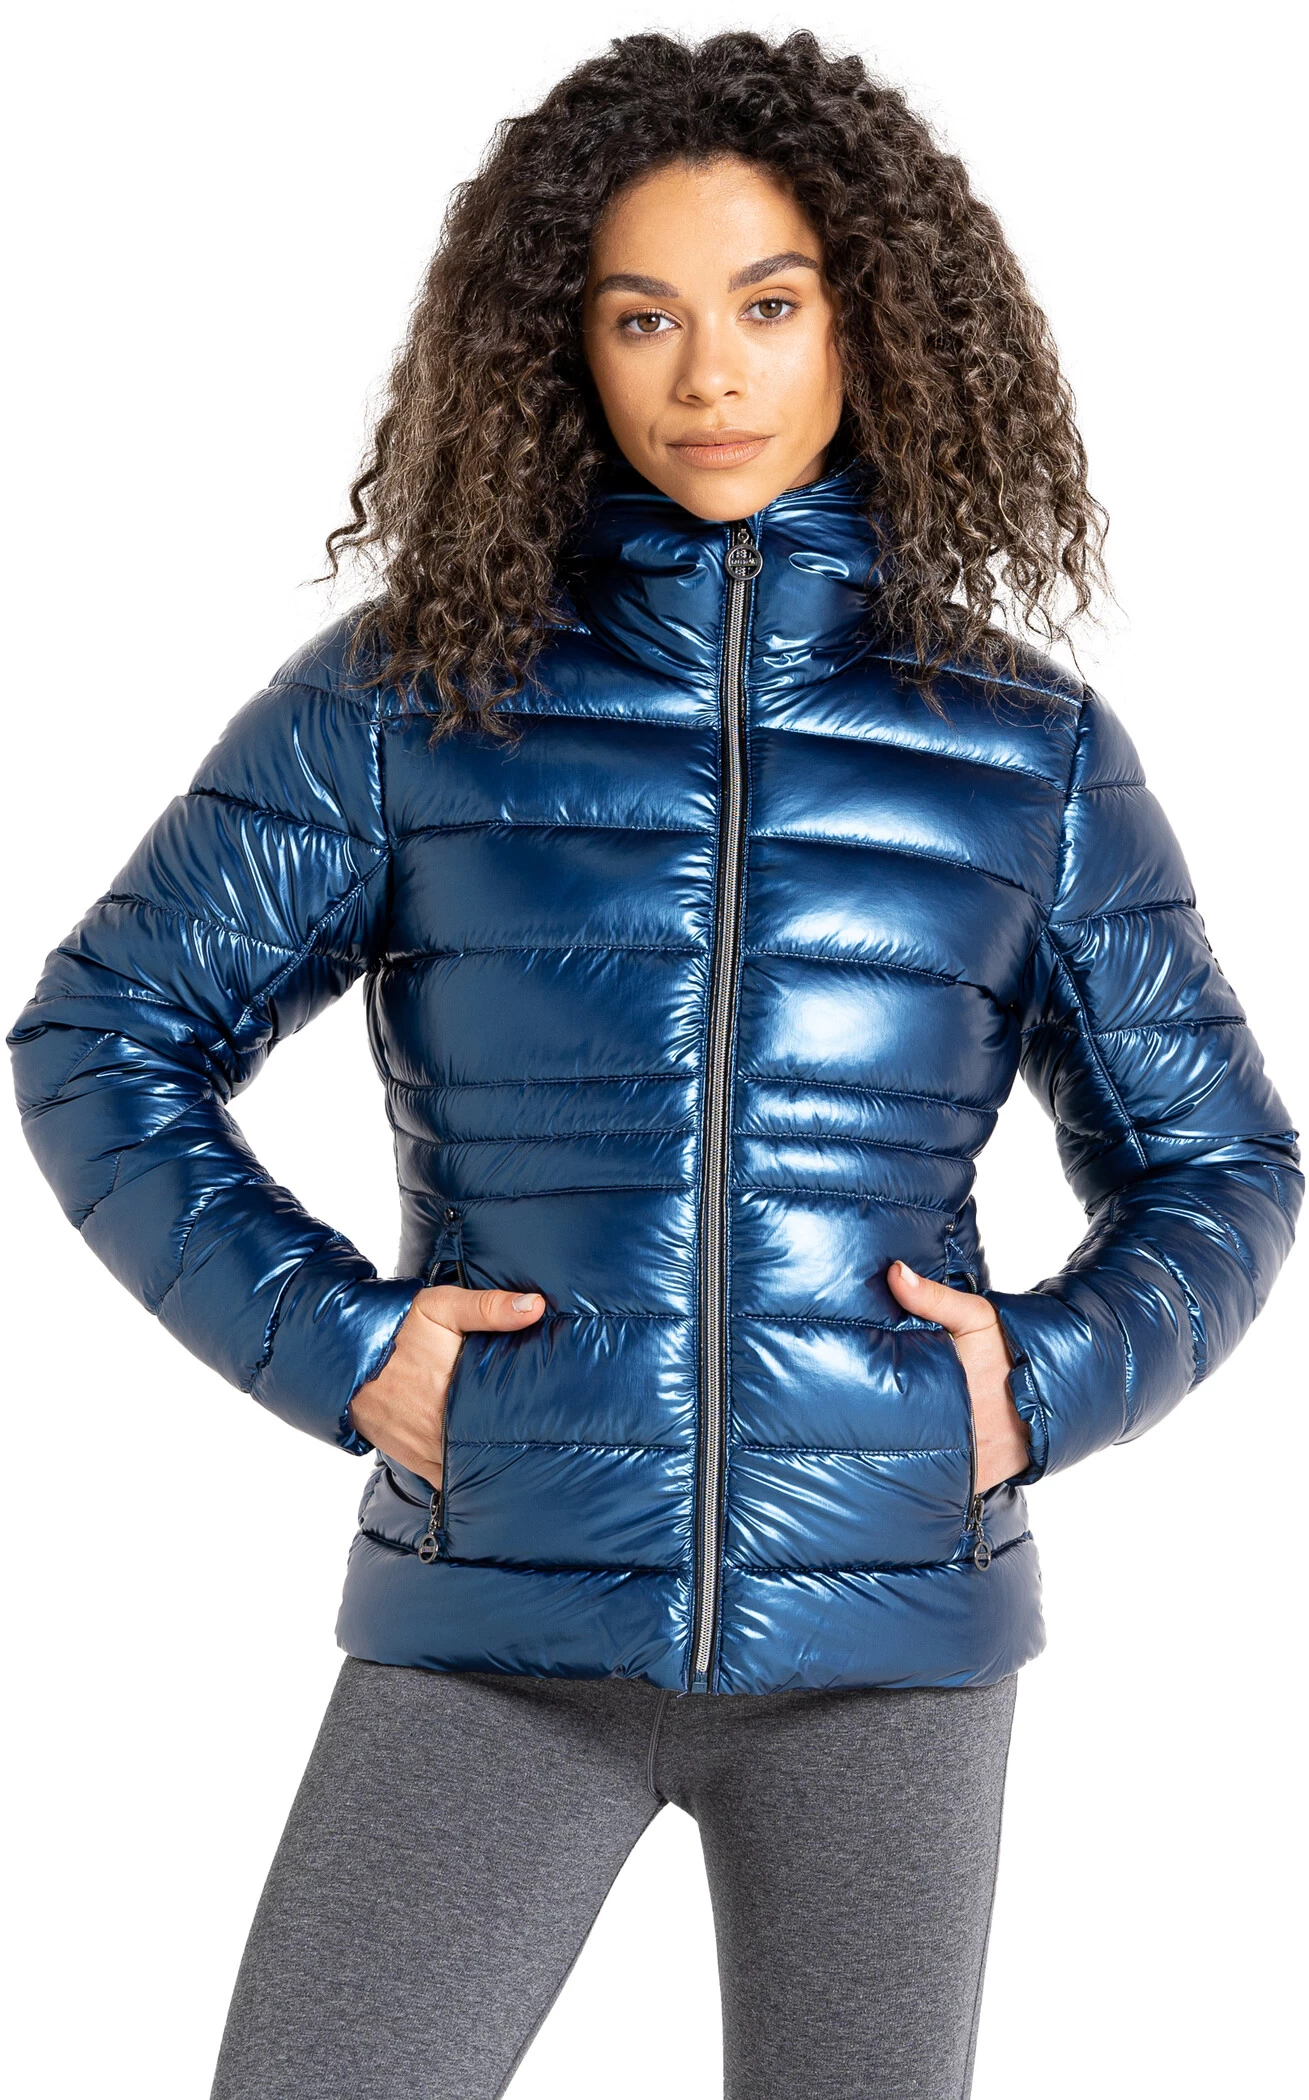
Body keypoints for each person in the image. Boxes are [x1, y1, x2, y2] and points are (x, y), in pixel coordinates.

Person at [8, 29, 1299, 2100]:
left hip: (890, 1628)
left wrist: (1038, 1381)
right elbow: (101, 1037)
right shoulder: (408, 703)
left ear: (869, 322)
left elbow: (1225, 1166)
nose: (709, 376)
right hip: (498, 1612)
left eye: (768, 306)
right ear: (563, 349)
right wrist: (345, 1348)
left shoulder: (1024, 750)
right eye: (643, 317)